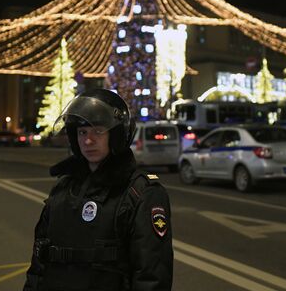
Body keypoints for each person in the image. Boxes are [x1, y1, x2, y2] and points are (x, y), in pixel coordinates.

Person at [23, 89, 173, 291]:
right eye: (82, 132)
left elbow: (152, 277)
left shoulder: (141, 193)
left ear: (117, 135)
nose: (88, 140)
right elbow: (39, 264)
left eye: (98, 131)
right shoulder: (64, 189)